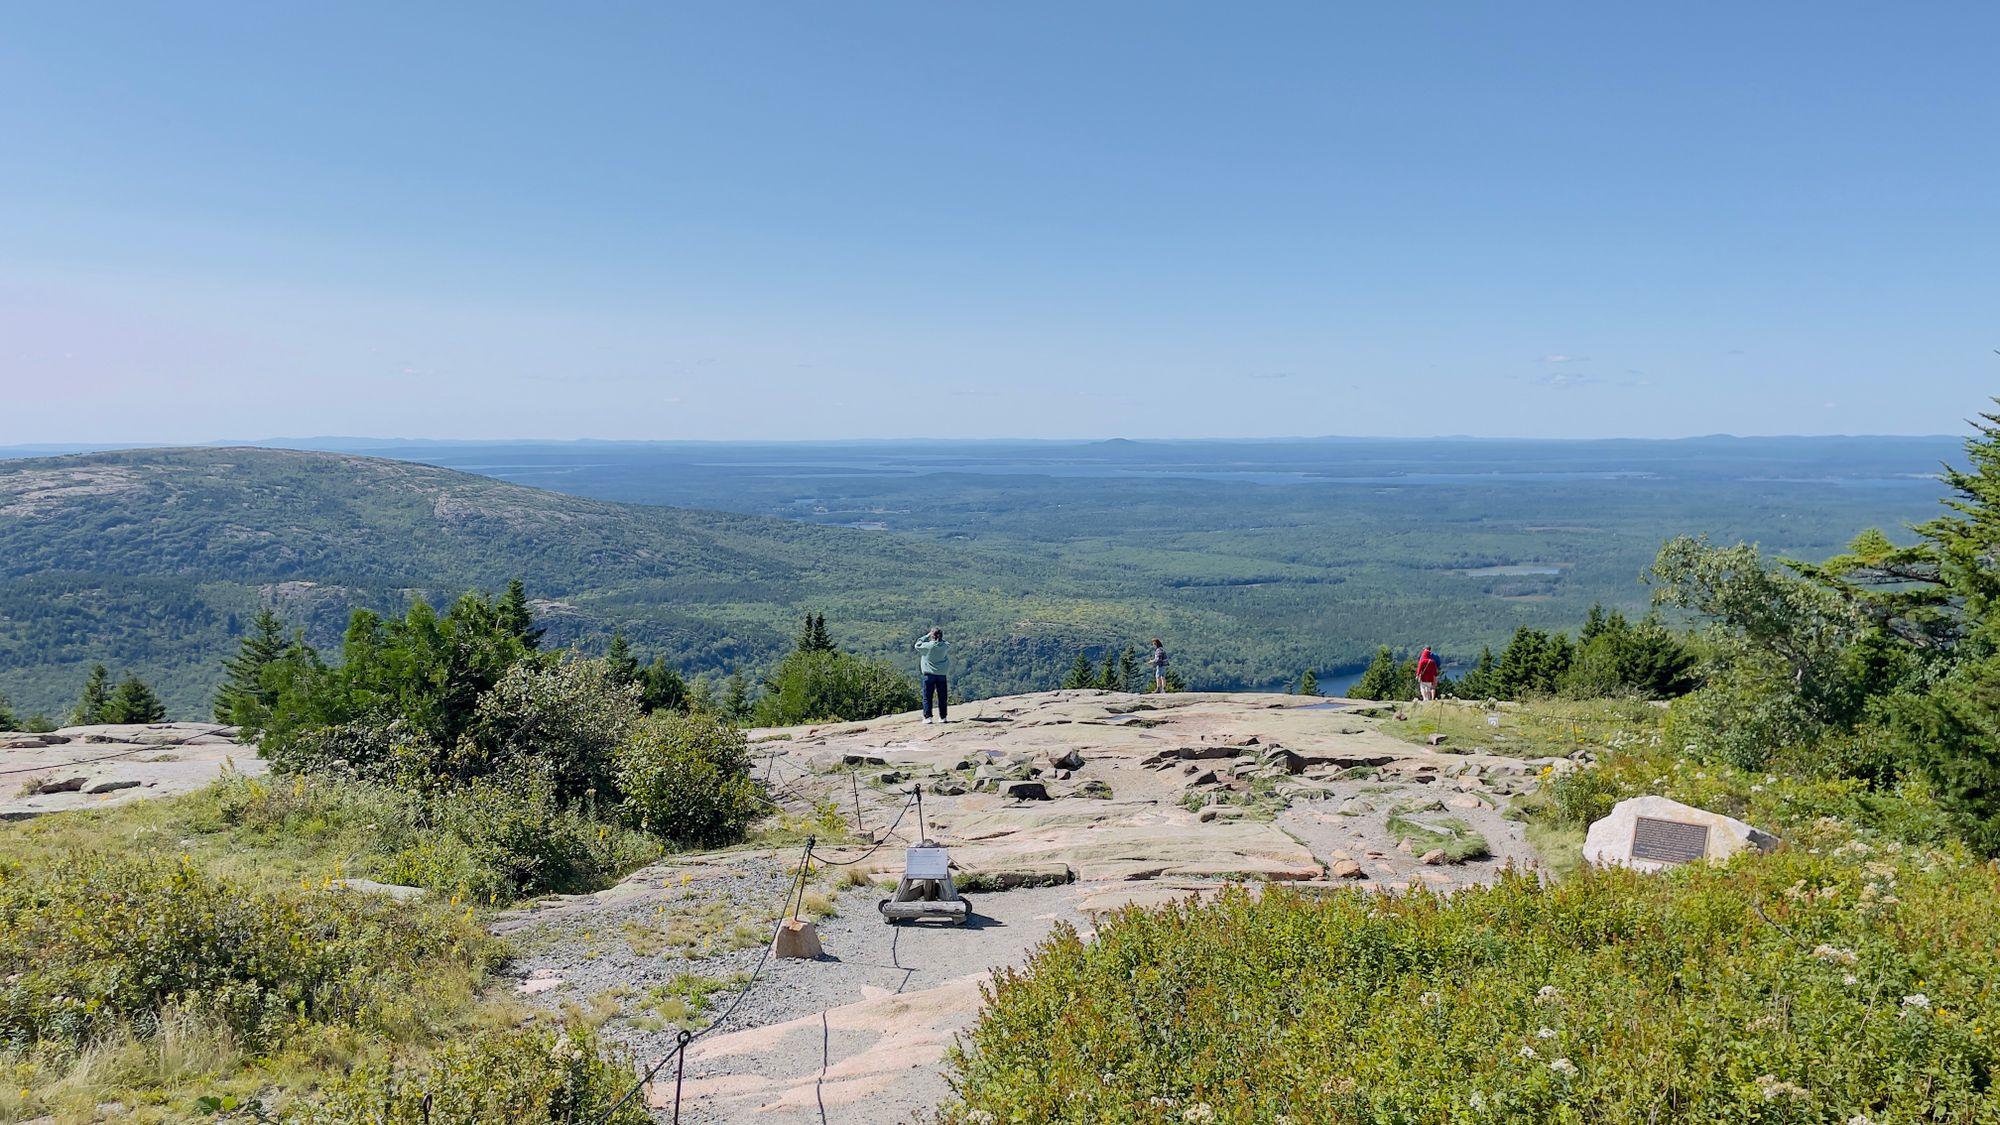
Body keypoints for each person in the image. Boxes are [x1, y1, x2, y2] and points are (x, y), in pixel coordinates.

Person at [913, 627, 951, 723]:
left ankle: (928, 717)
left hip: (929, 675)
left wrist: (927, 635)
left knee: (927, 696)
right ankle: (943, 717)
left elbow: (917, 645)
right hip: (942, 674)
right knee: (942, 697)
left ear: (932, 636)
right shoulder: (944, 646)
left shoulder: (928, 646)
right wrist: (940, 638)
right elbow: (947, 644)